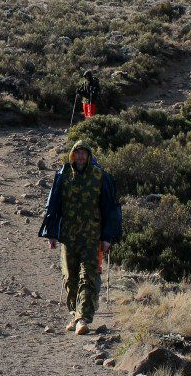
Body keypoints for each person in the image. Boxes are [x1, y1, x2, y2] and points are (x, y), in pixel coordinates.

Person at [39, 140, 122, 335]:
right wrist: (51, 233)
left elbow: (111, 208)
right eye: (78, 153)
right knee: (70, 277)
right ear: (72, 155)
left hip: (92, 237)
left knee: (88, 277)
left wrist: (108, 236)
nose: (81, 156)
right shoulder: (63, 175)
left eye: (84, 153)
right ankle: (74, 314)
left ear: (90, 156)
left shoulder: (100, 176)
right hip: (69, 237)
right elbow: (54, 205)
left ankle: (83, 318)